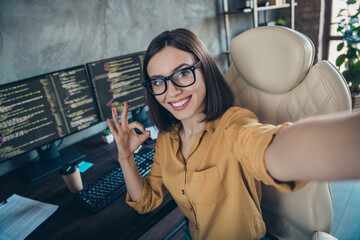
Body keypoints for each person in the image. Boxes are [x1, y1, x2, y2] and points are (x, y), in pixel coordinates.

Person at [107, 28, 360, 240]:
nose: (171, 91)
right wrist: (126, 157)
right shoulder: (166, 138)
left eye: (183, 72)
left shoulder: (234, 125)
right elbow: (146, 202)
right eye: (159, 81)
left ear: (204, 69)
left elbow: (267, 148)